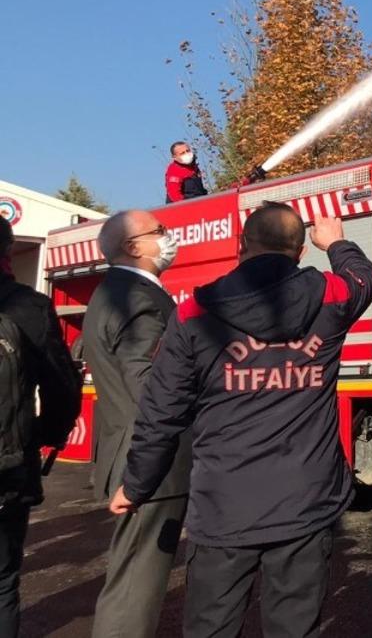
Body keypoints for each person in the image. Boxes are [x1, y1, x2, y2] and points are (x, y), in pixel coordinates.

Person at [110, 204, 372, 638]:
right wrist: (337, 242)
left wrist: (137, 485)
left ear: (241, 245)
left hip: (224, 506)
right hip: (304, 503)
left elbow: (163, 412)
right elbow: (364, 278)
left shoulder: (195, 312)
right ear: (299, 251)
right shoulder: (328, 297)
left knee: (211, 628)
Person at [83, 210, 190, 638]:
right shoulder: (138, 300)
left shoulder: (113, 293)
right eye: (159, 231)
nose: (169, 237)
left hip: (136, 453)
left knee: (135, 574)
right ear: (133, 247)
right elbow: (150, 384)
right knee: (135, 584)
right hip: (153, 463)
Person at [0, 216, 81, 638]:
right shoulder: (29, 306)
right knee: (2, 582)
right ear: (8, 251)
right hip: (7, 466)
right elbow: (60, 383)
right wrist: (47, 434)